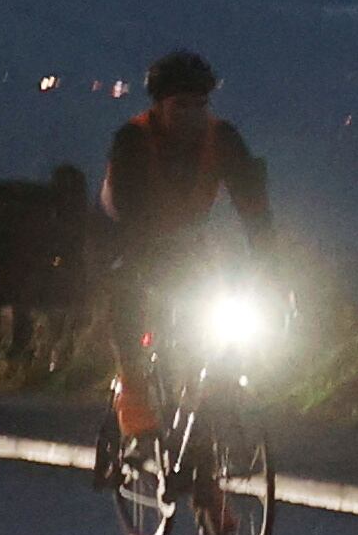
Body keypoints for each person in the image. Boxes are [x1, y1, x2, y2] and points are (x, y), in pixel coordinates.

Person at [96, 50, 276, 442]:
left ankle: (213, 387)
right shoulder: (133, 140)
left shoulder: (221, 138)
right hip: (129, 235)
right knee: (127, 287)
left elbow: (253, 204)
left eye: (200, 105)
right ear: (159, 106)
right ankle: (134, 390)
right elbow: (126, 213)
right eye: (181, 105)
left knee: (217, 303)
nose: (192, 115)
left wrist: (268, 262)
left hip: (186, 238)